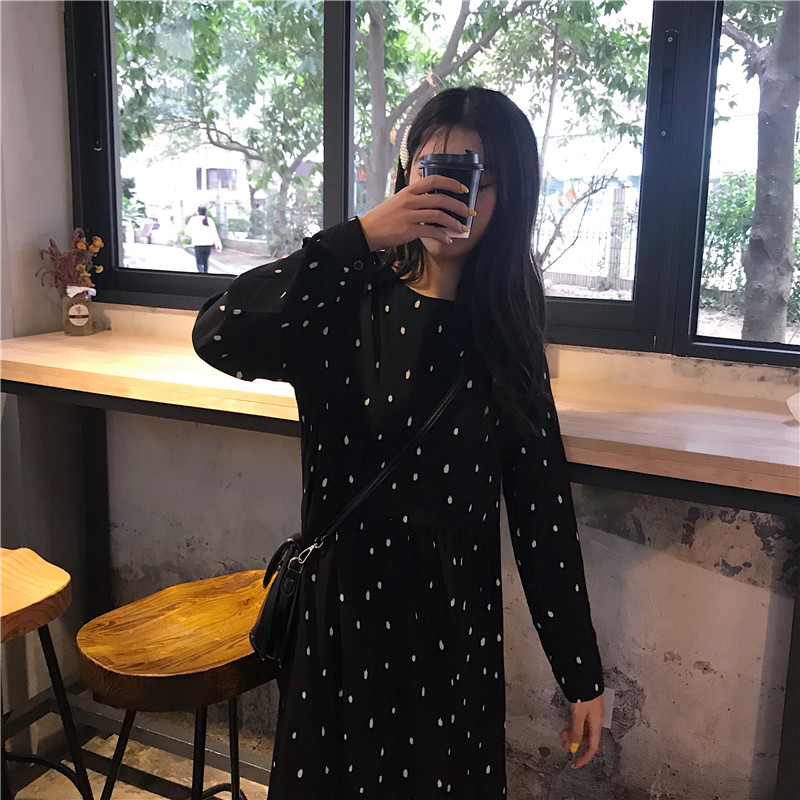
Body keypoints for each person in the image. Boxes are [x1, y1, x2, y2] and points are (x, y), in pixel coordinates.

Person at [193, 86, 604, 799]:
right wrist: (357, 236)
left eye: (476, 175)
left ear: (510, 195)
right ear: (405, 176)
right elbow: (217, 333)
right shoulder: (345, 297)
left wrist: (581, 673)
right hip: (344, 620)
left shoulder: (510, 332)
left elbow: (541, 512)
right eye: (433, 169)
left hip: (455, 633)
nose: (451, 192)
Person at [185, 205, 222, 273]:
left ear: (197, 212)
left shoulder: (193, 220)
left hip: (198, 244)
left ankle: (201, 273)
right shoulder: (209, 220)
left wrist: (193, 236)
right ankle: (206, 273)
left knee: (199, 262)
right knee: (205, 261)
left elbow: (187, 231)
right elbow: (214, 233)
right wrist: (218, 244)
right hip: (208, 245)